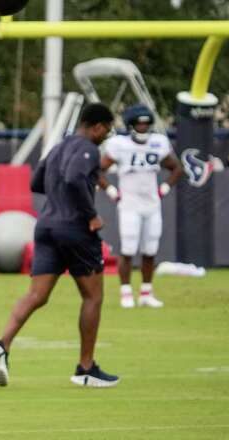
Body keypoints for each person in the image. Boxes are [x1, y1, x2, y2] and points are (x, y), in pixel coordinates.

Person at [0, 103, 119, 389]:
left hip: (45, 226)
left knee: (37, 295)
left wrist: (60, 197)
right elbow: (73, 178)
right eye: (105, 131)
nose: (105, 137)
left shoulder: (58, 147)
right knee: (93, 297)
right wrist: (91, 215)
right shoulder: (88, 149)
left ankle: (2, 344)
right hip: (75, 230)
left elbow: (36, 182)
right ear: (96, 126)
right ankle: (86, 368)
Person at [98, 104, 183, 308]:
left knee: (150, 249)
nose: (143, 127)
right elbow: (97, 170)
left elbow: (176, 168)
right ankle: (125, 292)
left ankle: (146, 292)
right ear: (131, 125)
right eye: (139, 123)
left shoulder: (158, 142)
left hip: (152, 204)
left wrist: (165, 187)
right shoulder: (119, 144)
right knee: (128, 249)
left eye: (146, 123)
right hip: (129, 203)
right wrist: (110, 190)